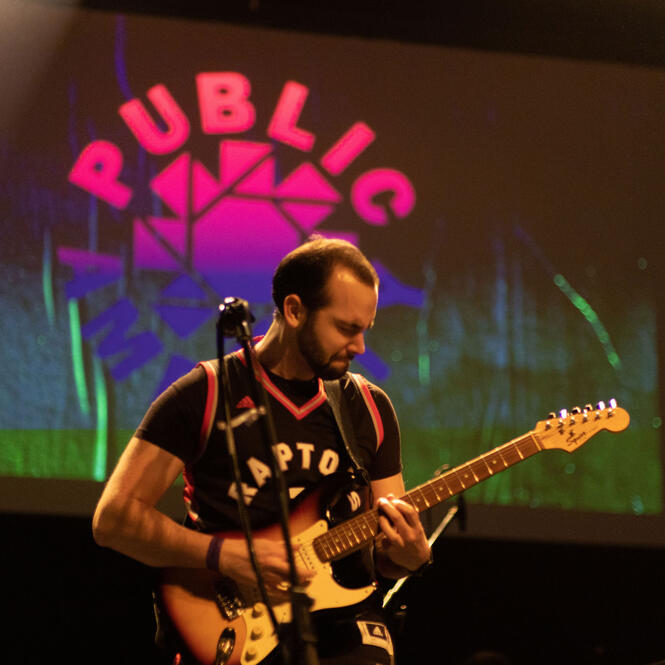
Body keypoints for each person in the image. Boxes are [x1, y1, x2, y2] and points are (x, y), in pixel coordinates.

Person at [92, 236, 432, 665]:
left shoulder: (367, 408)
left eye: (365, 329)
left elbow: (381, 556)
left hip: (341, 621)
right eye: (346, 328)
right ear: (294, 310)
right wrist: (224, 555)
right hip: (230, 626)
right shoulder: (206, 392)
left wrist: (406, 558)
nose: (360, 346)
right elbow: (113, 519)